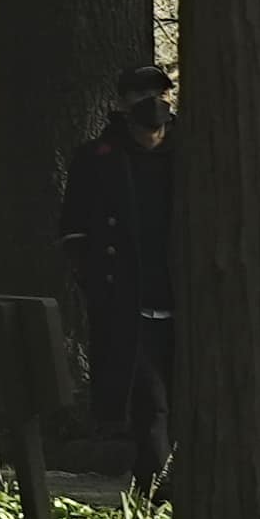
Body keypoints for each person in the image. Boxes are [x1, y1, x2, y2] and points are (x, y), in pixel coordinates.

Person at [57, 66, 178, 496]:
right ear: (123, 105)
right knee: (149, 403)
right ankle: (158, 496)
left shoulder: (192, 155)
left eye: (162, 92)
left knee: (178, 402)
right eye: (143, 94)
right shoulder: (97, 159)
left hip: (184, 301)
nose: (155, 102)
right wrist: (96, 286)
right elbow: (74, 233)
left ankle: (160, 490)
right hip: (126, 301)